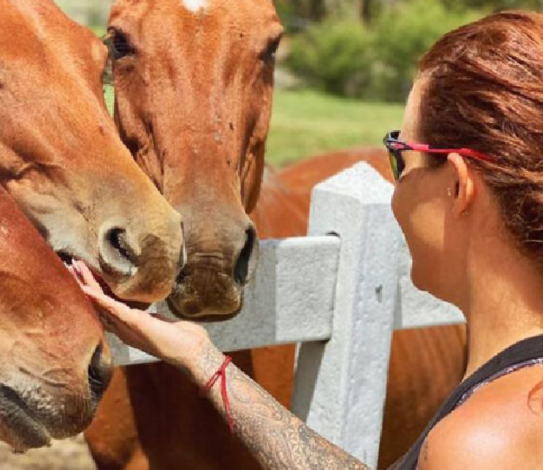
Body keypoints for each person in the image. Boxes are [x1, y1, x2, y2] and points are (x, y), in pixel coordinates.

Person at [69, 10, 543, 470]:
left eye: (400, 157)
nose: (391, 187)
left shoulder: (481, 446)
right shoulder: (517, 394)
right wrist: (204, 361)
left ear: (458, 187)